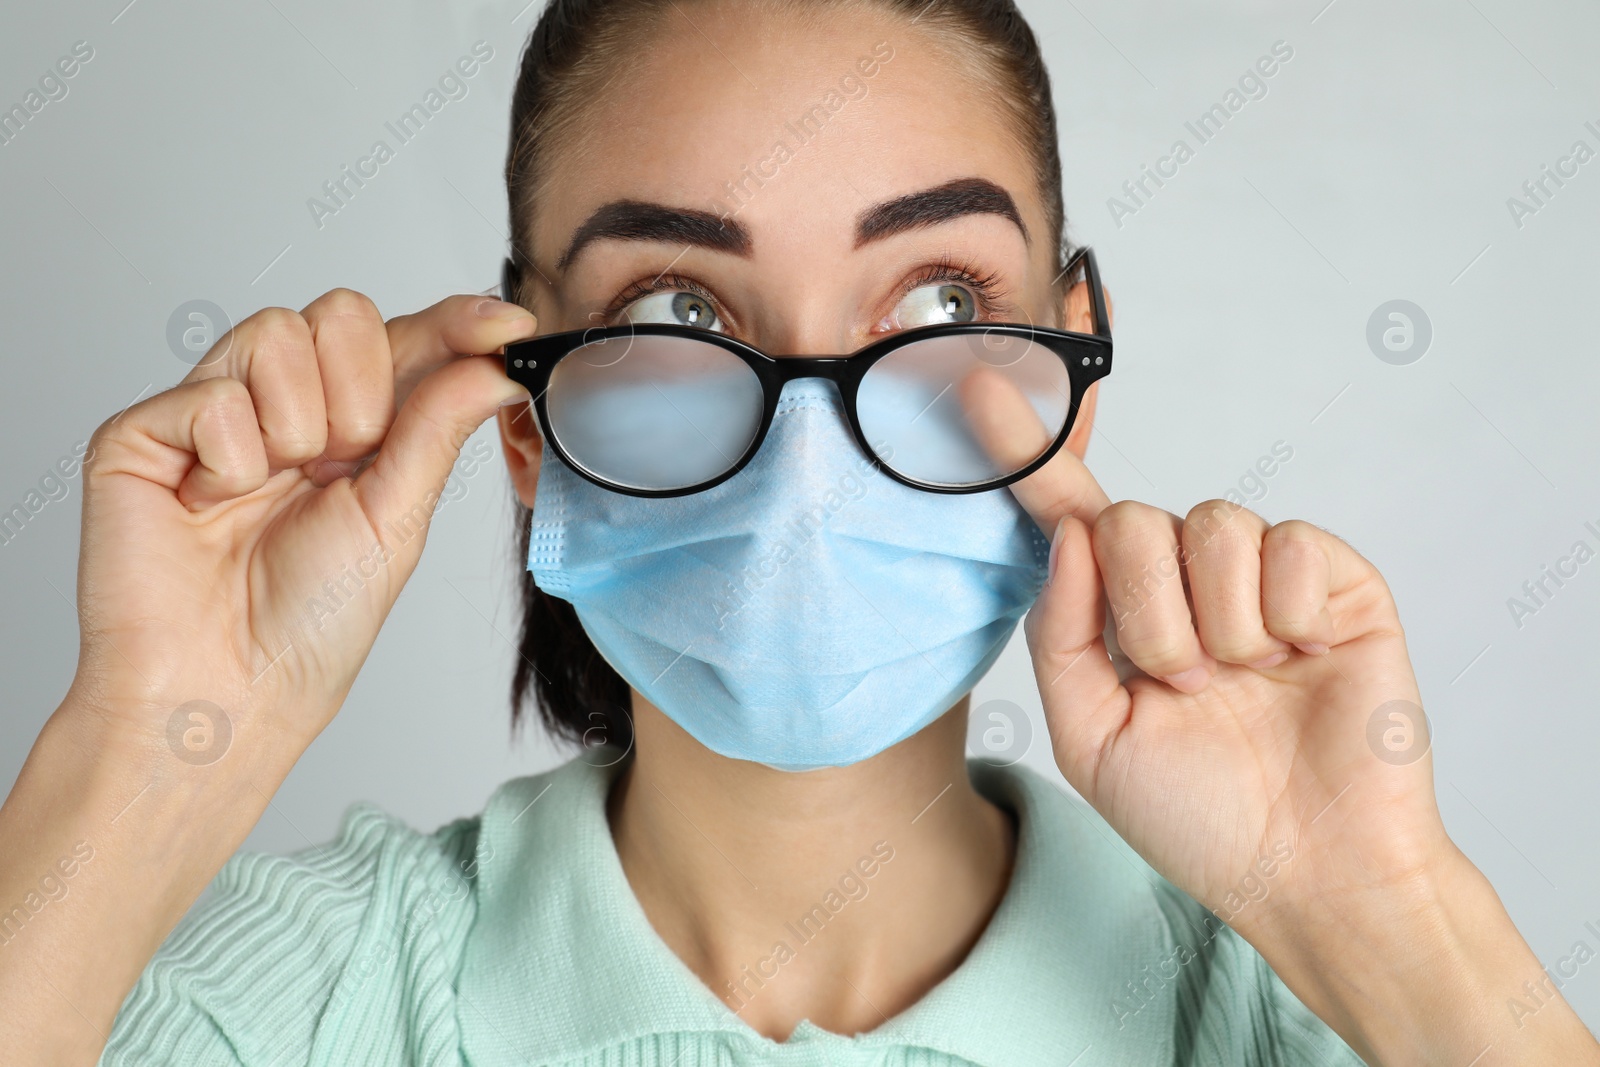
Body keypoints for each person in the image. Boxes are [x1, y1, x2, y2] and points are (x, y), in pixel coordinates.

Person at [2, 1, 1595, 1064]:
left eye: (939, 299)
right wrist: (150, 749)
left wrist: (1388, 925)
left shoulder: (1309, 1009)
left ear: (1071, 363)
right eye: (678, 311)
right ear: (517, 420)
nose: (815, 453)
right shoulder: (286, 1004)